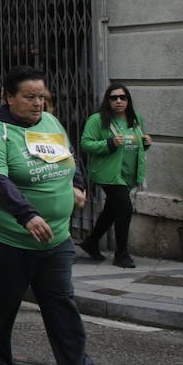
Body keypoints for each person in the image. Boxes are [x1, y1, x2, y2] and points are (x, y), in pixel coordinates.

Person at [0, 67, 115, 365]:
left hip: (56, 238)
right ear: (9, 98)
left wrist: (78, 185)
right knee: (0, 303)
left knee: (61, 303)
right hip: (7, 237)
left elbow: (69, 158)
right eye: (30, 97)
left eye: (42, 97)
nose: (38, 103)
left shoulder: (50, 123)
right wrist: (27, 215)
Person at [79, 83, 151, 268]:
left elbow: (137, 144)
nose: (119, 101)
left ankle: (91, 241)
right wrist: (109, 143)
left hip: (128, 173)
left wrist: (147, 143)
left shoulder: (135, 119)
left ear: (128, 100)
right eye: (114, 98)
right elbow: (85, 144)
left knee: (112, 209)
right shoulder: (97, 120)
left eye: (123, 97)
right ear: (107, 100)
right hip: (108, 173)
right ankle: (122, 254)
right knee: (125, 207)